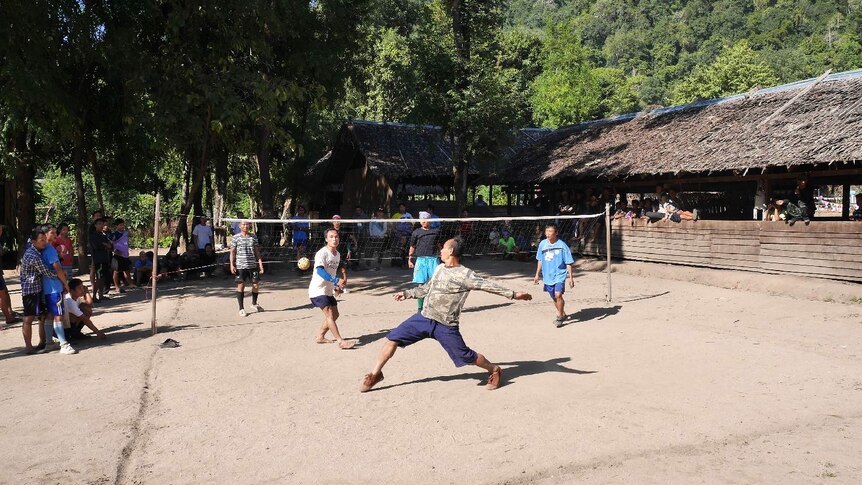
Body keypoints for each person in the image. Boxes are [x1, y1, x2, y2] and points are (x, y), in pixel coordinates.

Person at [359, 236, 533, 392]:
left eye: (443, 248)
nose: (440, 250)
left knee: (466, 357)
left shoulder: (466, 274)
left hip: (445, 324)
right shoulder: (440, 268)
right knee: (392, 339)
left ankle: (494, 369)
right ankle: (375, 374)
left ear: (450, 251)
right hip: (424, 317)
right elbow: (426, 288)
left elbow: (487, 285)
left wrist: (513, 294)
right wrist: (406, 294)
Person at [19, 229, 66, 354]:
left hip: (36, 289)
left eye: (45, 240)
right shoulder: (33, 255)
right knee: (28, 318)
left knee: (42, 316)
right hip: (31, 291)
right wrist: (62, 277)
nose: (44, 242)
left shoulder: (35, 251)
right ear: (34, 241)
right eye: (41, 240)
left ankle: (45, 342)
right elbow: (47, 272)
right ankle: (28, 347)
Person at [308, 228, 355, 349]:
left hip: (328, 290)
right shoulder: (322, 253)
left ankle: (320, 336)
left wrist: (336, 287)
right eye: (331, 237)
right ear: (326, 239)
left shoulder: (337, 254)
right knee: (329, 314)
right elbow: (319, 271)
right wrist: (335, 281)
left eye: (336, 237)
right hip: (317, 290)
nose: (334, 239)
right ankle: (341, 342)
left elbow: (332, 273)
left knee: (335, 314)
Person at [38, 224, 75, 354]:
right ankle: (63, 344)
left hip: (45, 287)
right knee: (58, 316)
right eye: (52, 233)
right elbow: (57, 268)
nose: (55, 235)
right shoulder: (50, 250)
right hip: (54, 287)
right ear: (45, 234)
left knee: (49, 315)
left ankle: (49, 342)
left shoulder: (41, 249)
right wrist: (65, 284)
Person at [534, 224, 575, 328]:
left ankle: (560, 316)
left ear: (556, 233)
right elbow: (540, 260)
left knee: (558, 295)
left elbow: (568, 262)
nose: (548, 234)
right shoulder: (543, 244)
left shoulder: (562, 245)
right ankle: (563, 313)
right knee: (554, 297)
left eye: (550, 231)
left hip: (559, 275)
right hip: (548, 276)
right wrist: (537, 274)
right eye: (546, 231)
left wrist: (571, 278)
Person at [230, 221, 264, 317]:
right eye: (243, 224)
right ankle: (241, 308)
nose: (245, 226)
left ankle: (254, 303)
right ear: (240, 226)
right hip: (241, 266)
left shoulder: (253, 237)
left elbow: (257, 252)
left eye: (247, 224)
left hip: (252, 265)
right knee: (241, 286)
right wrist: (232, 265)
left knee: (256, 285)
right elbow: (232, 252)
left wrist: (260, 264)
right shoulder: (235, 237)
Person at [408, 211, 440, 311]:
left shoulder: (436, 231)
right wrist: (410, 259)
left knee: (434, 284)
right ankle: (420, 307)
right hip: (421, 260)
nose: (423, 221)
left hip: (433, 259)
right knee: (421, 284)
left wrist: (443, 257)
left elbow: (439, 245)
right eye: (422, 219)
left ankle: (433, 306)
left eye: (425, 219)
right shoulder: (416, 232)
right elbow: (412, 246)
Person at [89, 218, 113, 302]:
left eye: (102, 224)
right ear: (95, 225)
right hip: (98, 260)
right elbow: (97, 246)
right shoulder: (93, 236)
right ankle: (94, 296)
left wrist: (107, 245)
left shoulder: (104, 235)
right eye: (99, 224)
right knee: (98, 278)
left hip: (105, 259)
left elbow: (110, 246)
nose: (101, 225)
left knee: (103, 278)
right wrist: (105, 245)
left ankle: (101, 295)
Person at [110, 219, 135, 292]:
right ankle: (117, 287)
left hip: (125, 255)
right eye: (120, 225)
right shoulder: (114, 234)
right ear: (116, 226)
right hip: (118, 255)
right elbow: (109, 242)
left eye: (123, 225)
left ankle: (131, 284)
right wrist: (114, 250)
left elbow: (130, 235)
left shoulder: (125, 233)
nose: (122, 226)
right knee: (116, 271)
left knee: (127, 270)